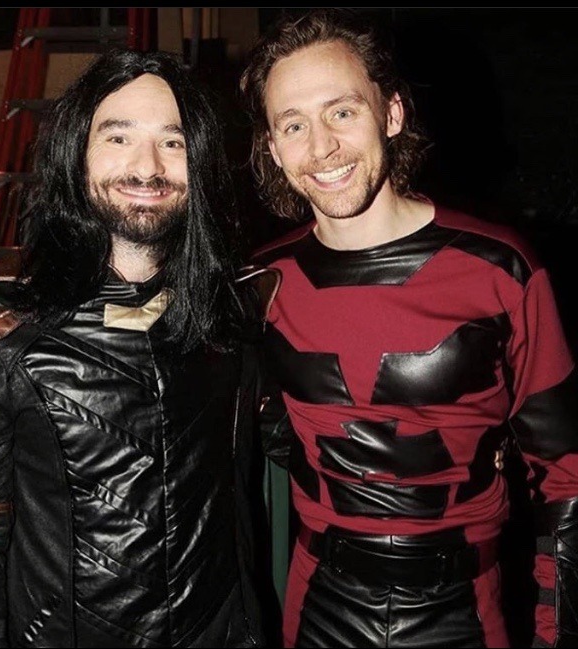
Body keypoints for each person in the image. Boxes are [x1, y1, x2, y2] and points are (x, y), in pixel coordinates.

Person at [239, 8, 578, 648]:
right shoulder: (262, 282)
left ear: (391, 114)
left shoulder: (499, 269)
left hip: (463, 612)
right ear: (274, 150)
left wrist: (556, 632)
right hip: (316, 607)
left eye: (342, 111)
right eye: (294, 124)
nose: (321, 148)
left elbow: (565, 475)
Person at [0, 48, 266, 648]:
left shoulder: (231, 319)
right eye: (118, 137)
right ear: (75, 154)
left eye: (173, 142)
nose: (147, 166)